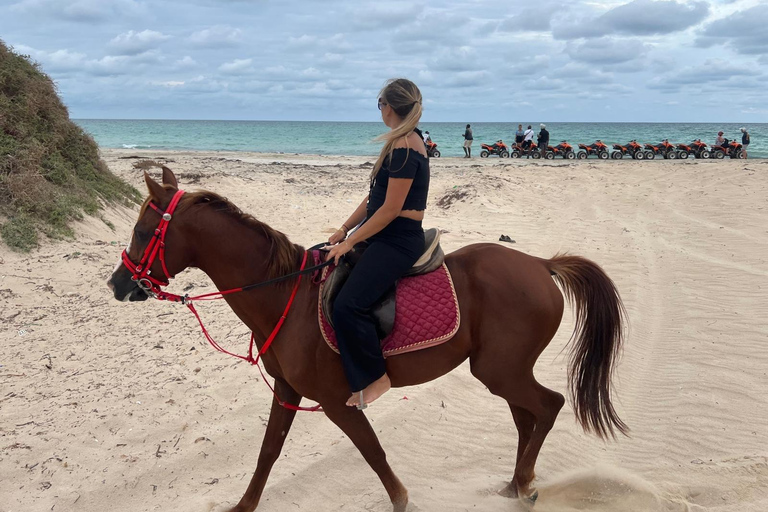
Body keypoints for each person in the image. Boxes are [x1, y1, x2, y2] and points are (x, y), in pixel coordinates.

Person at [325, 78, 429, 410]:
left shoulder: (406, 147)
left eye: (380, 103)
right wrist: (343, 229)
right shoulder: (399, 143)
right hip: (382, 233)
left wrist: (353, 240)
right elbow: (373, 200)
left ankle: (376, 377)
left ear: (391, 107)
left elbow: (390, 210)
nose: (380, 109)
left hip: (397, 240)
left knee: (347, 306)